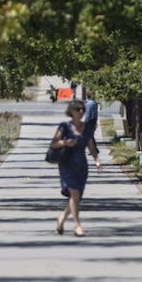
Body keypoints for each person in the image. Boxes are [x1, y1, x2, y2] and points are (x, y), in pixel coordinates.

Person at [50, 99, 102, 237]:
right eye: (77, 109)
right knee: (75, 194)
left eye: (82, 110)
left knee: (76, 197)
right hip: (67, 164)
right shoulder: (64, 127)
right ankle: (76, 225)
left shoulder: (87, 129)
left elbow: (91, 147)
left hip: (82, 166)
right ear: (71, 111)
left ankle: (61, 219)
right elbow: (54, 143)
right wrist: (65, 142)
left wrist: (97, 160)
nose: (80, 112)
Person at [84, 89, 99, 154]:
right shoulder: (94, 103)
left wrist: (85, 122)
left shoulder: (88, 104)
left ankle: (94, 149)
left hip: (89, 121)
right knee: (90, 136)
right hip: (93, 120)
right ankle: (94, 149)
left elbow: (87, 114)